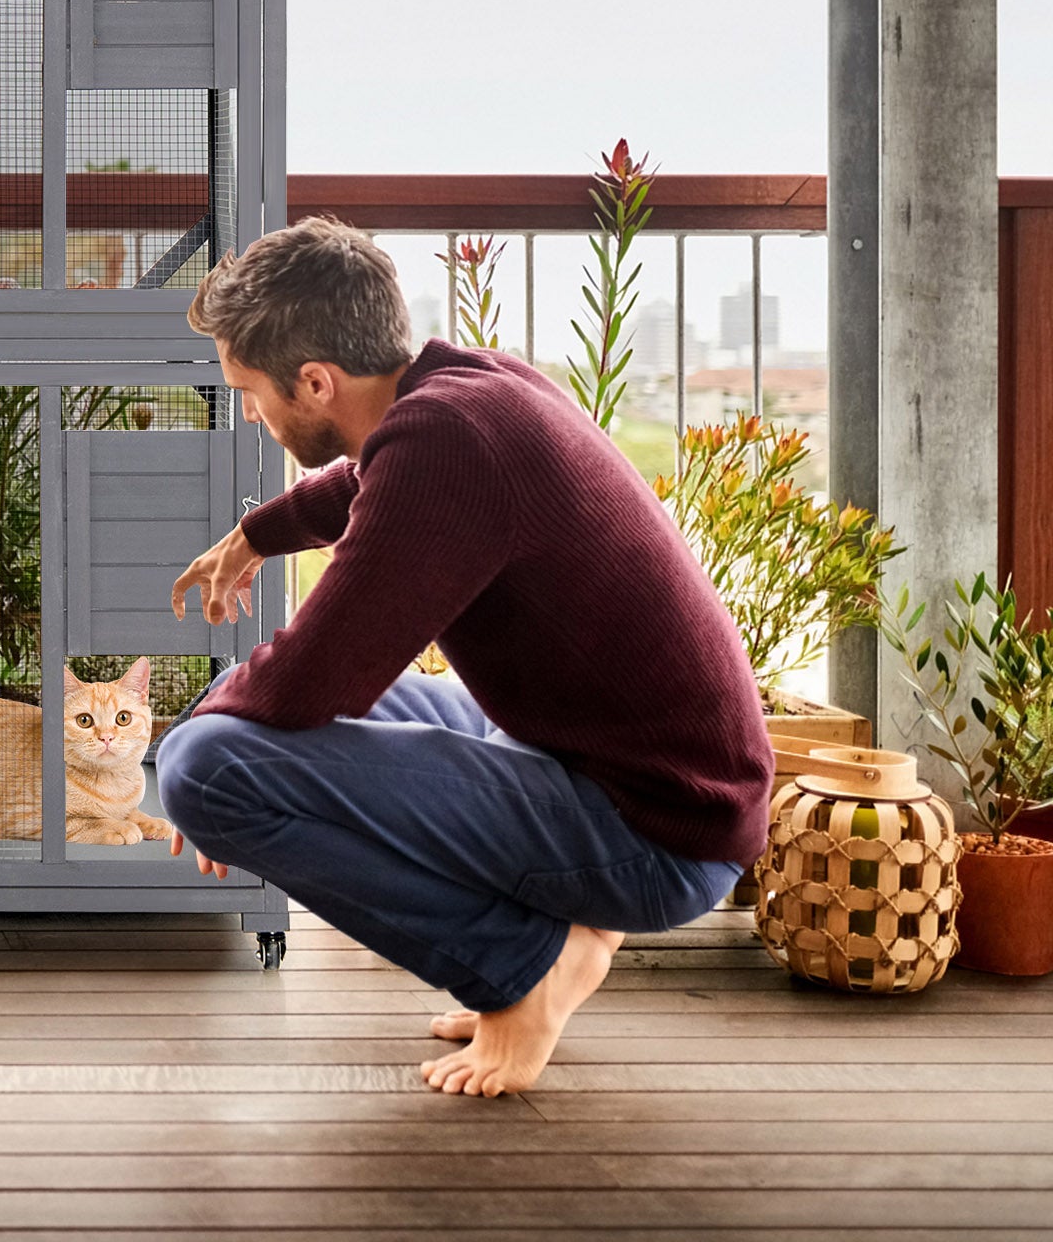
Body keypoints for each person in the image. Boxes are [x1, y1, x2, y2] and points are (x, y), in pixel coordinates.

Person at [155, 216, 773, 1098]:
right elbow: (368, 482)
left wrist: (200, 741)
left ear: (316, 381)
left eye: (250, 392)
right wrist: (258, 535)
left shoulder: (446, 442)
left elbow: (317, 677)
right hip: (617, 769)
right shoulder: (467, 386)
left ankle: (523, 969)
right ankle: (570, 937)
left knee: (206, 770)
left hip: (658, 832)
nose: (251, 412)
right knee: (227, 715)